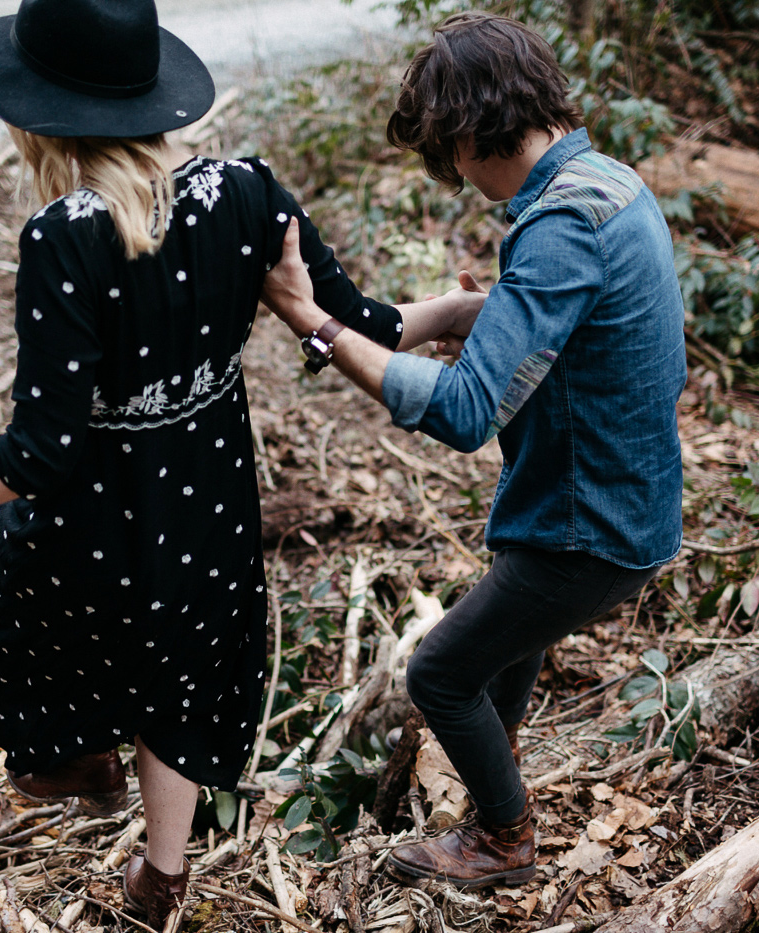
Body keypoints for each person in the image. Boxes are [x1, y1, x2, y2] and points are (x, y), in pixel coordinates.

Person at [0, 0, 485, 924]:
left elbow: (38, 455)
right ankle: (161, 878)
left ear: (37, 111)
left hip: (97, 525)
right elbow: (362, 324)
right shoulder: (250, 190)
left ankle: (71, 751)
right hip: (209, 510)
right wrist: (450, 315)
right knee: (179, 665)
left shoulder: (65, 235)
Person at [260, 11, 686, 890]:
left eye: (448, 152)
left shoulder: (561, 224)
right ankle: (497, 785)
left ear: (468, 130)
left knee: (442, 671)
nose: (454, 173)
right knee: (501, 658)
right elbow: (561, 323)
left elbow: (462, 413)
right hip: (618, 506)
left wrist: (311, 322)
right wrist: (448, 315)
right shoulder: (609, 186)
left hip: (583, 528)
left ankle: (504, 837)